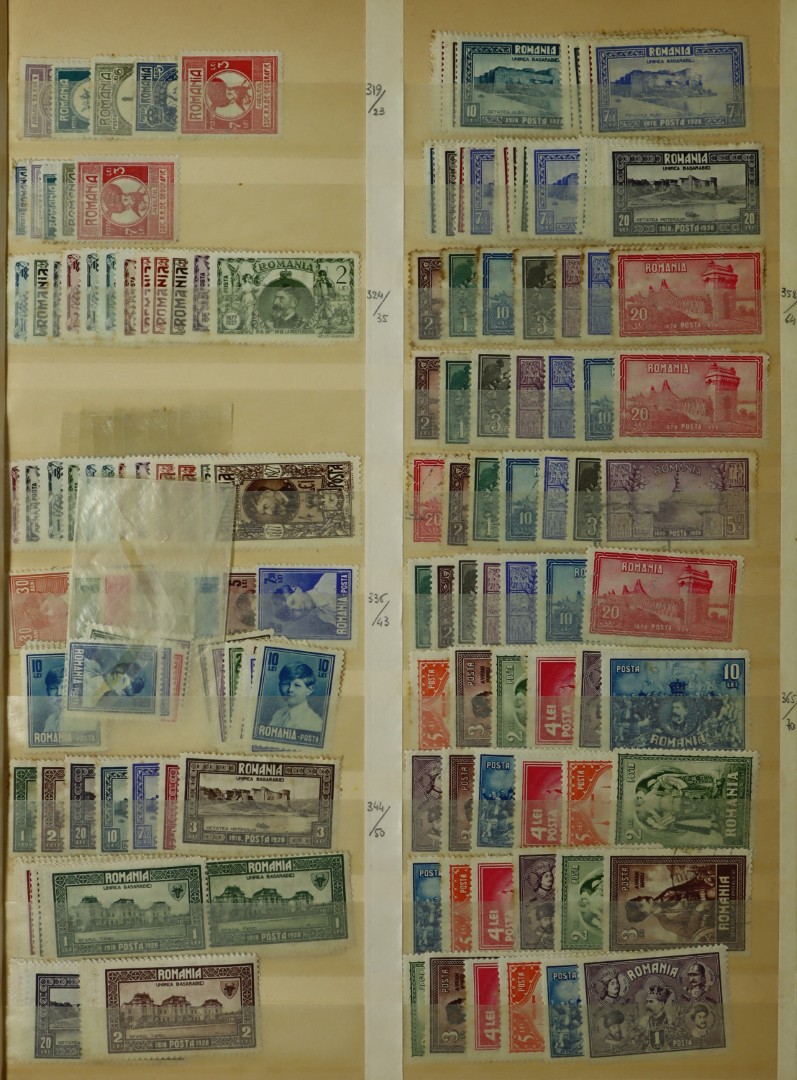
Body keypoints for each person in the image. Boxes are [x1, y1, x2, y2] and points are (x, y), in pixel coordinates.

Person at [624, 873, 716, 941]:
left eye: (640, 898)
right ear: (645, 914)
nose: (644, 899)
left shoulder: (667, 893)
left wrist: (698, 879)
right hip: (711, 912)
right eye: (641, 905)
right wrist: (697, 911)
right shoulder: (666, 923)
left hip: (708, 894)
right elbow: (689, 932)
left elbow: (687, 886)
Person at [270, 573, 340, 629]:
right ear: (295, 619)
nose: (298, 608)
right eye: (293, 613)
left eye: (293, 602)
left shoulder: (331, 579)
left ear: (297, 589)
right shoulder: (325, 617)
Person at [81, 651, 148, 709]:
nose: (120, 674)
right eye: (125, 669)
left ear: (121, 693)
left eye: (123, 680)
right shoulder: (92, 666)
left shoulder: (90, 701)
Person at [269, 662, 323, 733]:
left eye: (297, 685)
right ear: (279, 686)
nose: (290, 690)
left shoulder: (315, 723)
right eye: (285, 684)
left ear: (309, 690)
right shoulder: (278, 714)